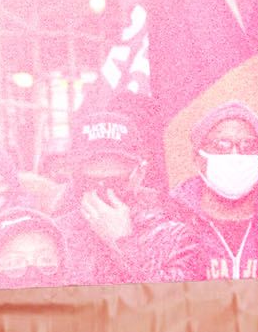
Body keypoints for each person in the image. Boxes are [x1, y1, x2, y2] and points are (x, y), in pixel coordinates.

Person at [54, 98, 204, 285]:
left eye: (116, 172)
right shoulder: (54, 234)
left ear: (139, 173)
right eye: (93, 169)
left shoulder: (174, 235)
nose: (103, 180)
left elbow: (174, 304)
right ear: (74, 174)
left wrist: (123, 242)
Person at [170, 100, 258, 279]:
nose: (235, 155)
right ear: (198, 158)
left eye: (249, 146)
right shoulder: (170, 226)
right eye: (220, 145)